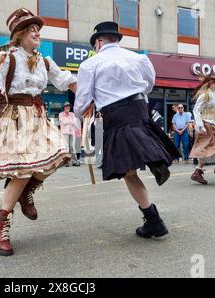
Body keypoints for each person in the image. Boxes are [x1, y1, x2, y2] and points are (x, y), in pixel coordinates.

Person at [0, 7, 77, 256]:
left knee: (60, 155)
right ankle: (1, 225)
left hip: (37, 117)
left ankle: (26, 194)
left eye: (38, 28)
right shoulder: (7, 57)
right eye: (31, 28)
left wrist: (90, 99)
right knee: (22, 171)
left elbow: (66, 80)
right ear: (19, 33)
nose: (37, 32)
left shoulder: (45, 60)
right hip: (15, 118)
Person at [74, 21, 180, 240]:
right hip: (140, 108)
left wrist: (80, 115)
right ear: (116, 40)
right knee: (139, 138)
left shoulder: (91, 64)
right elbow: (149, 84)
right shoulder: (139, 57)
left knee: (127, 171)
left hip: (115, 115)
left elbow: (83, 100)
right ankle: (154, 160)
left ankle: (153, 219)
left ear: (99, 41)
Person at [59, 102, 81, 167]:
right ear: (64, 108)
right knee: (66, 147)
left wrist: (70, 123)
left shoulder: (72, 114)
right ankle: (66, 162)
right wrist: (70, 122)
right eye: (66, 106)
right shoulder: (61, 114)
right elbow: (64, 122)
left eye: (68, 106)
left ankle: (75, 161)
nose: (67, 107)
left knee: (72, 147)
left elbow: (74, 123)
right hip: (64, 133)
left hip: (72, 132)